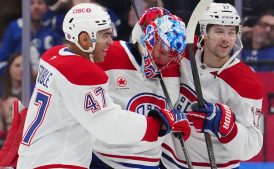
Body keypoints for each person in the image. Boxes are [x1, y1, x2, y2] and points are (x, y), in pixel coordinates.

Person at [17, 3, 189, 169]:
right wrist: (158, 125)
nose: (110, 41)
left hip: (36, 157)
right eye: (105, 35)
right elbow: (108, 124)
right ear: (85, 39)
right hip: (58, 162)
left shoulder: (52, 56)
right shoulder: (83, 73)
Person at [161, 2, 264, 169]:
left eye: (231, 33)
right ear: (204, 32)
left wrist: (226, 127)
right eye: (219, 31)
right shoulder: (183, 50)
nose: (226, 38)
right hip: (168, 161)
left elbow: (251, 146)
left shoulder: (246, 82)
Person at [91, 7, 190, 169]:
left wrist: (178, 119)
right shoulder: (110, 53)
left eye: (172, 54)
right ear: (149, 37)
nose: (164, 58)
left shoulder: (175, 70)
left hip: (147, 162)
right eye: (162, 49)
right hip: (102, 159)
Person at [0, 0, 62, 76]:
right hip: (19, 82)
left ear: (46, 6)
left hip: (47, 81)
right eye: (31, 3)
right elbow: (2, 61)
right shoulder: (14, 28)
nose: (36, 7)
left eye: (40, 3)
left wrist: (55, 7)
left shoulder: (53, 27)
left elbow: (60, 60)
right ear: (24, 7)